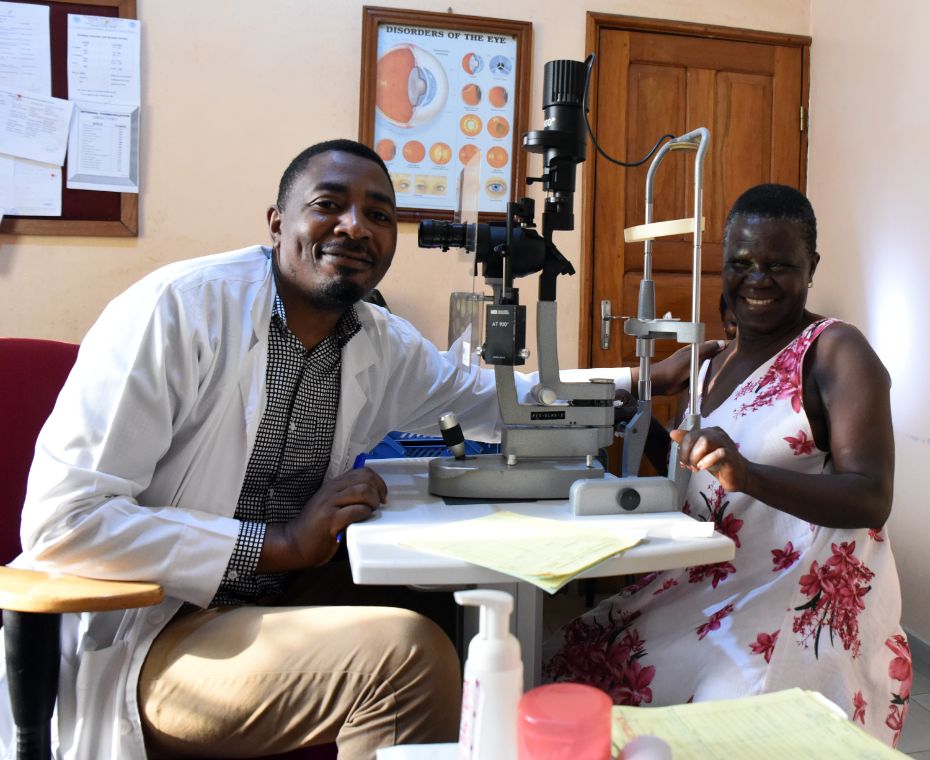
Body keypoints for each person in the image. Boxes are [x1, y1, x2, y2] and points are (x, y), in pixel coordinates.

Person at [1, 139, 708, 760]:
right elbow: (65, 522)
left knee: (452, 605)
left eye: (377, 214)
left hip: (275, 603)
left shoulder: (375, 340)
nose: (355, 226)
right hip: (157, 632)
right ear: (278, 222)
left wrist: (640, 380)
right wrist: (276, 543)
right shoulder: (176, 312)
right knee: (404, 659)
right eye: (329, 204)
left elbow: (492, 398)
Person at [543, 184, 911, 747]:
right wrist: (619, 413)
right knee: (570, 660)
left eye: (778, 264)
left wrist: (750, 475)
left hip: (785, 601)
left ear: (811, 265)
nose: (756, 279)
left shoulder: (836, 350)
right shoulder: (714, 358)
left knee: (708, 721)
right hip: (701, 584)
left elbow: (870, 495)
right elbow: (695, 476)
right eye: (739, 263)